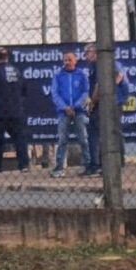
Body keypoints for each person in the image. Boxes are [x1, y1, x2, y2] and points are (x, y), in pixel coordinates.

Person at [82, 44, 129, 179]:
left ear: (96, 52)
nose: (86, 56)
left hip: (112, 102)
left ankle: (116, 163)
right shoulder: (94, 67)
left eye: (88, 52)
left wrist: (99, 96)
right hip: (99, 103)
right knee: (96, 131)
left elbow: (118, 77)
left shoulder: (110, 63)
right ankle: (98, 164)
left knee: (113, 131)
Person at [0, 47, 29, 174]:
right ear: (7, 58)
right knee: (20, 139)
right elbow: (24, 91)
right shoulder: (16, 71)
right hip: (17, 111)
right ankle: (24, 165)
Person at [49, 48, 89, 179]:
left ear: (75, 61)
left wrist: (76, 105)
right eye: (65, 60)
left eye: (70, 60)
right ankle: (60, 167)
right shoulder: (58, 75)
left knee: (83, 138)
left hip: (79, 111)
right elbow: (55, 94)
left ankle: (87, 165)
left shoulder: (82, 75)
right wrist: (65, 107)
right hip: (63, 112)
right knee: (62, 140)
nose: (67, 62)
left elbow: (85, 92)